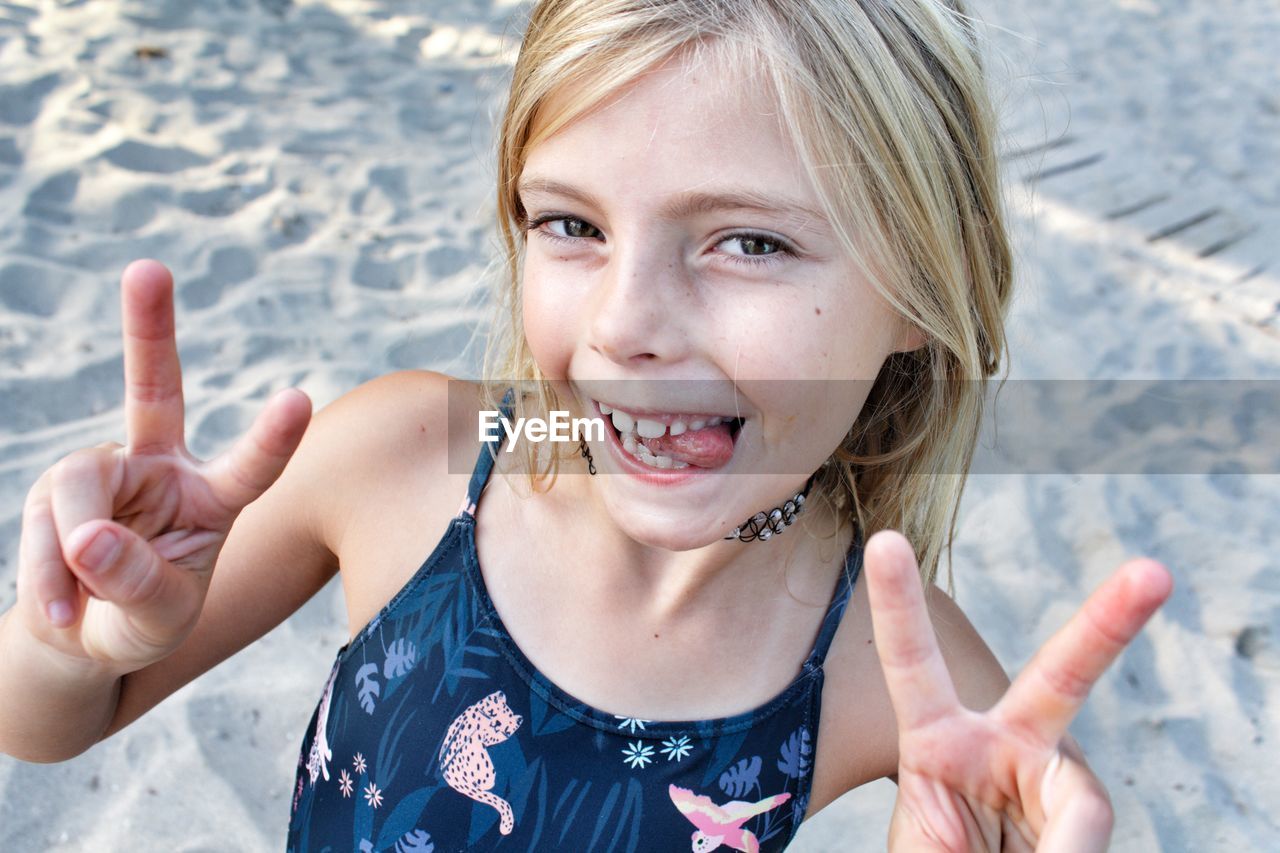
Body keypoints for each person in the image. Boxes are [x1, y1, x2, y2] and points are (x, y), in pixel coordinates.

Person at [0, 0, 1172, 849]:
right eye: (570, 224)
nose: (624, 324)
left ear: (922, 287)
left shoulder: (900, 670)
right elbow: (50, 729)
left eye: (748, 241)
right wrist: (70, 640)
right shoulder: (402, 458)